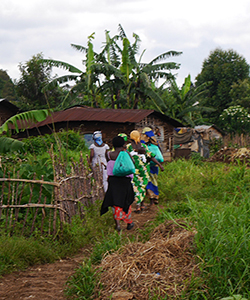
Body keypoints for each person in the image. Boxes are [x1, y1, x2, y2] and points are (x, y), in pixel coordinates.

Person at [100, 136, 134, 231]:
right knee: (126, 200)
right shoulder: (126, 153)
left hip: (113, 181)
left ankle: (118, 224)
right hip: (125, 181)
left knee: (115, 201)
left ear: (113, 145)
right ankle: (129, 222)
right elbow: (132, 163)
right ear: (123, 144)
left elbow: (109, 164)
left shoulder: (109, 154)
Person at [126, 130, 153, 213]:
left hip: (133, 170)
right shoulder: (144, 146)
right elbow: (150, 156)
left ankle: (138, 206)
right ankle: (142, 204)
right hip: (143, 171)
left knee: (135, 187)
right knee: (142, 187)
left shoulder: (128, 147)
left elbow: (125, 157)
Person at [141, 127, 164, 206]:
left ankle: (151, 199)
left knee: (148, 181)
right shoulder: (155, 142)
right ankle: (155, 197)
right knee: (154, 181)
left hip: (146, 165)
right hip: (155, 165)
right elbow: (160, 153)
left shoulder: (142, 143)